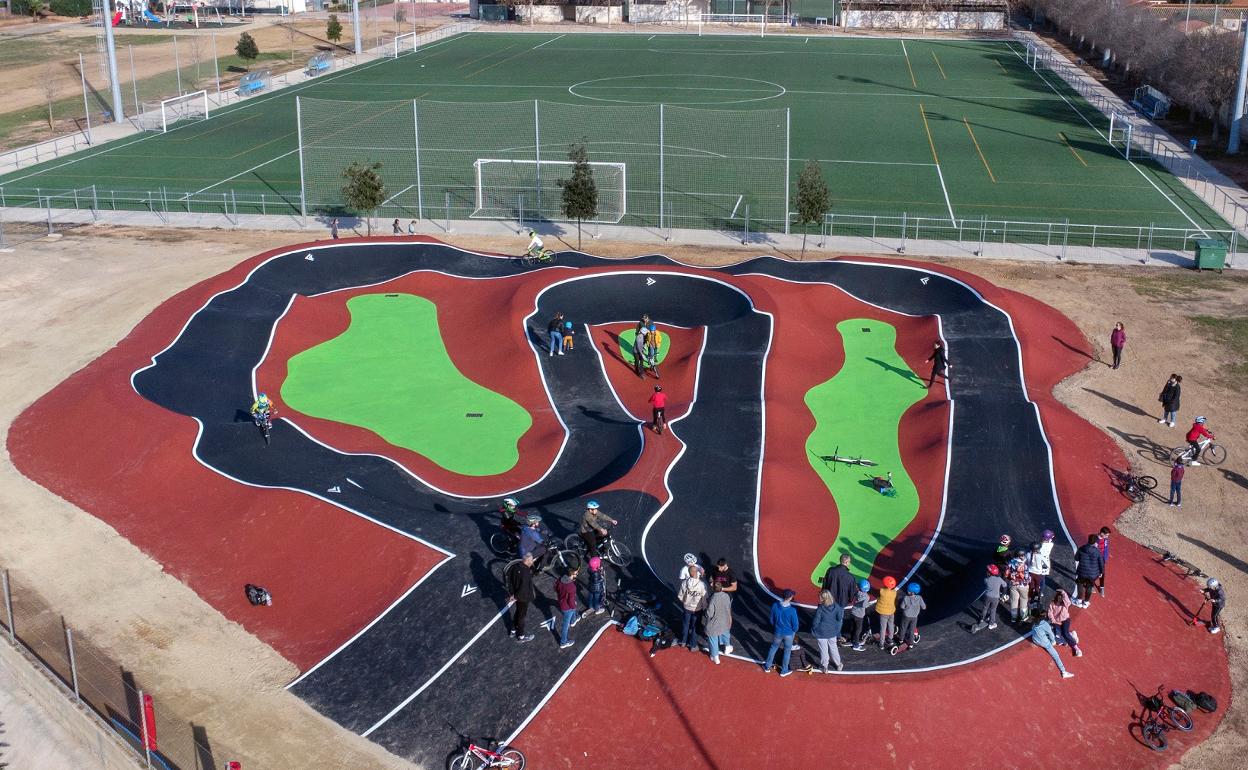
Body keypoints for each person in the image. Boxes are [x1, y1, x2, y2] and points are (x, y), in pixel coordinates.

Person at [763, 589, 800, 676]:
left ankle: (767, 666)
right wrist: (793, 631)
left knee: (773, 648)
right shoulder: (792, 610)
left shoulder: (775, 606)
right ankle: (784, 670)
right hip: (788, 634)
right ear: (790, 598)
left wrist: (776, 626)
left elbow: (772, 619)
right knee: (787, 651)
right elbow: (795, 625)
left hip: (778, 632)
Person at [811, 590, 844, 673]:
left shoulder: (820, 609)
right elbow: (839, 618)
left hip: (821, 632)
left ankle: (825, 667)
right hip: (832, 632)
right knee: (834, 648)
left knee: (824, 650)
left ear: (823, 599)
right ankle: (838, 664)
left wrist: (814, 628)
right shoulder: (836, 607)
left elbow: (816, 621)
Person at [676, 564, 708, 652]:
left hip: (687, 608)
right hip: (697, 609)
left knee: (685, 624)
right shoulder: (702, 585)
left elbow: (680, 596)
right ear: (696, 573)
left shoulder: (685, 583)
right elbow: (704, 599)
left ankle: (683, 641)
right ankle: (693, 645)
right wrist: (705, 608)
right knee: (695, 627)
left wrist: (685, 602)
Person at [508, 554, 537, 643]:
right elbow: (524, 588)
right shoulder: (526, 573)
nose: (532, 562)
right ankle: (521, 636)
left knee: (518, 612)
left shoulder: (514, 567)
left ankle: (513, 630)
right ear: (527, 561)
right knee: (521, 617)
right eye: (531, 560)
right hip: (523, 598)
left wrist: (512, 594)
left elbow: (510, 581)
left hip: (516, 595)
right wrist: (516, 596)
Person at [704, 582, 733, 664]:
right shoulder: (726, 596)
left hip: (714, 623)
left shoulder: (713, 598)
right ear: (721, 588)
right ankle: (727, 648)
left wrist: (705, 611)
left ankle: (715, 657)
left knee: (713, 639)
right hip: (724, 620)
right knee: (725, 633)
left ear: (713, 589)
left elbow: (709, 613)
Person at [1047, 588, 1082, 657]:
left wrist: (1063, 592)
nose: (1060, 600)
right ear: (1056, 597)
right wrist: (1054, 621)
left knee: (1065, 633)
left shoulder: (1065, 604)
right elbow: (1050, 613)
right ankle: (1071, 635)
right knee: (1057, 634)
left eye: (1061, 598)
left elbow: (1068, 601)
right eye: (1059, 598)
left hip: (1065, 620)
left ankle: (1076, 648)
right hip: (1057, 622)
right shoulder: (1052, 604)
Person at [1074, 533, 1105, 608]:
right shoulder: (1097, 552)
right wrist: (1101, 572)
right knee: (1089, 587)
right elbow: (1101, 563)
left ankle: (1079, 601)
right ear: (1095, 543)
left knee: (1080, 585)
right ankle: (1086, 602)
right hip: (1093, 574)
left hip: (1082, 571)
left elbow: (1076, 558)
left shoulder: (1082, 548)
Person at [976, 564, 1006, 631]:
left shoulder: (986, 579)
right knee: (993, 610)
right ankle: (991, 624)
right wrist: (1002, 595)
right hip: (995, 598)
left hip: (987, 596)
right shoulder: (999, 579)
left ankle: (982, 619)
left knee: (985, 608)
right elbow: (1005, 586)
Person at [557, 567, 580, 649]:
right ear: (572, 575)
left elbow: (555, 588)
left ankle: (573, 620)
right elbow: (571, 602)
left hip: (561, 602)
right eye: (576, 574)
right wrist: (574, 605)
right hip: (567, 607)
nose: (577, 575)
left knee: (572, 611)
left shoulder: (560, 579)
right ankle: (563, 642)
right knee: (565, 625)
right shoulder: (571, 587)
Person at [1005, 549, 1030, 623]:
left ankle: (1014, 617)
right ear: (1021, 556)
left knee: (1014, 601)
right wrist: (1028, 580)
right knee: (1024, 600)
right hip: (1023, 585)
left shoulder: (1011, 562)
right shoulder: (1024, 564)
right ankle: (1023, 617)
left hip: (1013, 585)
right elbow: (1026, 576)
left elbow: (1006, 574)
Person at [897, 583, 925, 647]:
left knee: (903, 627)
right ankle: (911, 644)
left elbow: (902, 607)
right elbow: (924, 607)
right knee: (912, 630)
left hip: (906, 616)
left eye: (908, 590)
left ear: (910, 592)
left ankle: (901, 640)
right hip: (915, 617)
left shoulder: (906, 598)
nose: (907, 591)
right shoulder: (919, 598)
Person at [875, 576, 899, 648]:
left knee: (883, 628)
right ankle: (890, 639)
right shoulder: (894, 593)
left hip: (883, 612)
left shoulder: (881, 591)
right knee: (891, 625)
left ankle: (881, 643)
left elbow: (879, 596)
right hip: (891, 611)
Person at [848, 579, 872, 650]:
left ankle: (852, 640)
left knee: (853, 628)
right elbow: (864, 605)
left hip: (853, 612)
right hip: (859, 615)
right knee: (858, 630)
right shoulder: (867, 597)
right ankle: (856, 645)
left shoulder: (857, 592)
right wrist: (868, 604)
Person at [1026, 541, 1051, 608]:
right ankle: (1036, 600)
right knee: (1037, 587)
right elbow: (1047, 564)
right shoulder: (1041, 556)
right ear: (1038, 549)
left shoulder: (1028, 554)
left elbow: (1026, 563)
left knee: (1031, 587)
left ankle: (1030, 600)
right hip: (1038, 574)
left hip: (1030, 573)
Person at [1094, 526, 1111, 598]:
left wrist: (1105, 557)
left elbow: (1106, 548)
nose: (1107, 536)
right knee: (1094, 573)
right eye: (1106, 535)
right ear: (1102, 533)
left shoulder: (1105, 539)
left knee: (1102, 573)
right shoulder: (1095, 539)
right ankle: (1090, 584)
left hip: (1102, 559)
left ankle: (1101, 587)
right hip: (1095, 560)